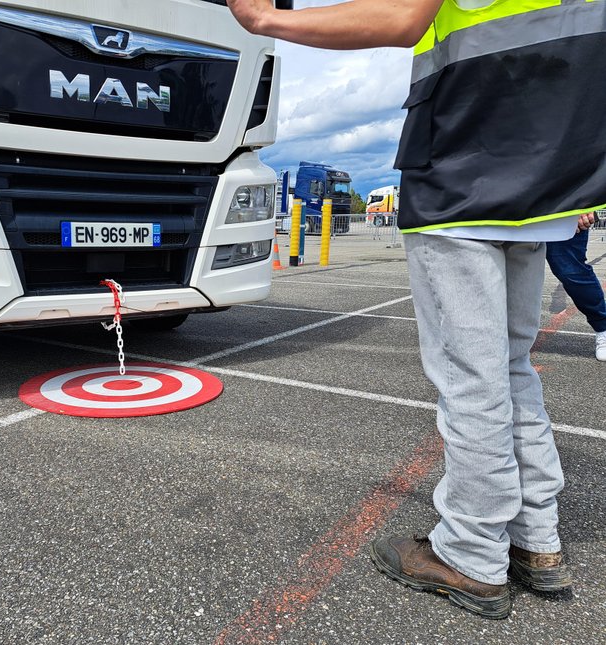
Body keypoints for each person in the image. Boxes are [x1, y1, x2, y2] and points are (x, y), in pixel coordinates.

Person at [226, 0, 606, 619]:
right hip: (543, 174)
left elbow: (402, 15)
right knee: (511, 369)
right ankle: (537, 542)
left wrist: (267, 21)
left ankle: (471, 555)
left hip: (467, 167)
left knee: (471, 378)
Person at [546, 222, 606, 361]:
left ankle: (602, 326)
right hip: (513, 208)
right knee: (514, 271)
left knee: (571, 271)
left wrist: (585, 204)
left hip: (562, 209)